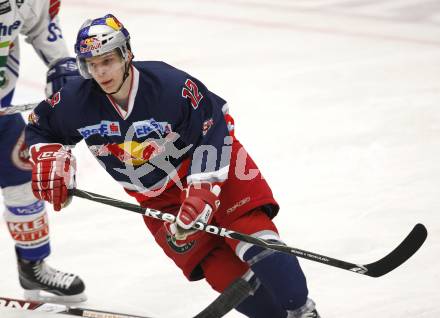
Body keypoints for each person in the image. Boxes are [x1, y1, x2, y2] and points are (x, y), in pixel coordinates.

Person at [25, 13, 320, 317]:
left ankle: (303, 311)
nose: (100, 72)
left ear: (127, 54)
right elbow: (39, 127)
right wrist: (49, 154)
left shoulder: (170, 85)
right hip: (157, 199)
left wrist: (203, 187)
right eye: (92, 64)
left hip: (215, 169)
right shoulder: (76, 101)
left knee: (255, 239)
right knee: (219, 271)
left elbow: (216, 122)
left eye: (108, 60)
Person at [0, 0, 85, 302]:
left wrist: (62, 67)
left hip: (2, 114)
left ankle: (32, 266)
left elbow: (40, 27)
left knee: (24, 184)